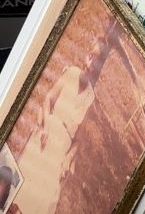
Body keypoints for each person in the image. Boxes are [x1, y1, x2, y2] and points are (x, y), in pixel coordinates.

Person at [16, 28, 118, 214]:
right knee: (30, 177)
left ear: (100, 66)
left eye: (97, 60)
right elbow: (48, 100)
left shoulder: (90, 97)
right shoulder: (71, 73)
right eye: (91, 56)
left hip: (63, 145)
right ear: (87, 55)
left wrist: (69, 157)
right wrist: (45, 126)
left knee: (46, 193)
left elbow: (78, 139)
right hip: (49, 130)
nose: (91, 63)